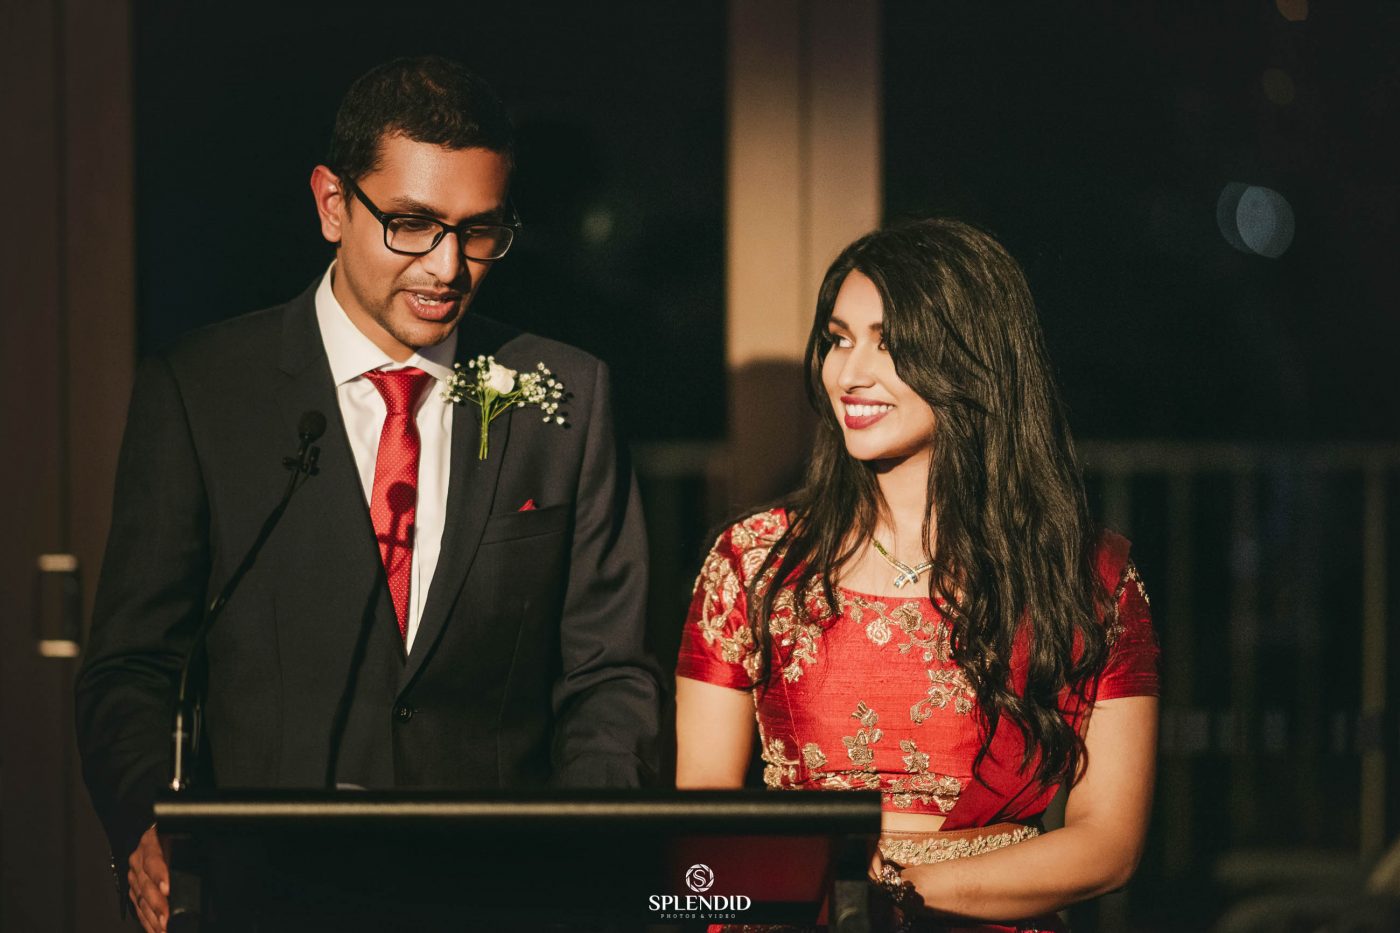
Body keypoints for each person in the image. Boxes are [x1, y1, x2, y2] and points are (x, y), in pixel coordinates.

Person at [76, 56, 659, 932]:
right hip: (267, 892)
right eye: (412, 225)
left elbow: (608, 675)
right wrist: (148, 822)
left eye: (479, 231)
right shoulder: (203, 390)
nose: (448, 267)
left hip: (502, 894)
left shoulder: (568, 395)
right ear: (331, 204)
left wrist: (581, 848)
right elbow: (133, 666)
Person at [675, 219, 1158, 931]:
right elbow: (703, 810)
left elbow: (1108, 846)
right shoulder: (755, 561)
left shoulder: (1083, 577)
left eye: (890, 343)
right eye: (839, 339)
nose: (850, 373)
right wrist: (825, 895)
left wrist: (886, 891)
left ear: (974, 359)